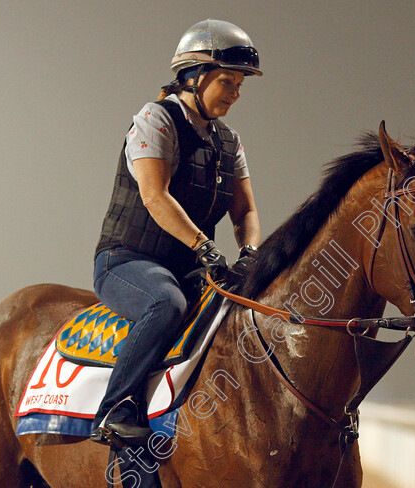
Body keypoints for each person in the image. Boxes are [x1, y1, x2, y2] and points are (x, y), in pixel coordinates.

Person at [90, 19, 262, 450]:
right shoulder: (155, 120)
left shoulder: (230, 141)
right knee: (167, 303)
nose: (235, 93)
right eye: (227, 81)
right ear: (193, 76)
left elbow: (246, 211)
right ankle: (116, 408)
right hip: (127, 261)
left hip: (190, 266)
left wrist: (251, 252)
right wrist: (205, 246)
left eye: (240, 84)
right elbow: (154, 197)